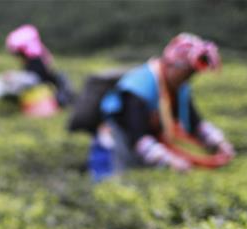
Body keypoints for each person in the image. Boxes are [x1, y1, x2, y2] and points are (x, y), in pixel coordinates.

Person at [94, 33, 235, 177]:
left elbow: (194, 122)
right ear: (172, 65)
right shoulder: (139, 87)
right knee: (117, 183)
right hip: (114, 149)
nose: (188, 79)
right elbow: (138, 136)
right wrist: (170, 160)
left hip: (146, 149)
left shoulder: (179, 88)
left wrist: (218, 141)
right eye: (186, 73)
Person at [5, 24, 73, 107]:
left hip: (42, 91)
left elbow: (34, 78)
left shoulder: (35, 60)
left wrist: (14, 77)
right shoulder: (37, 56)